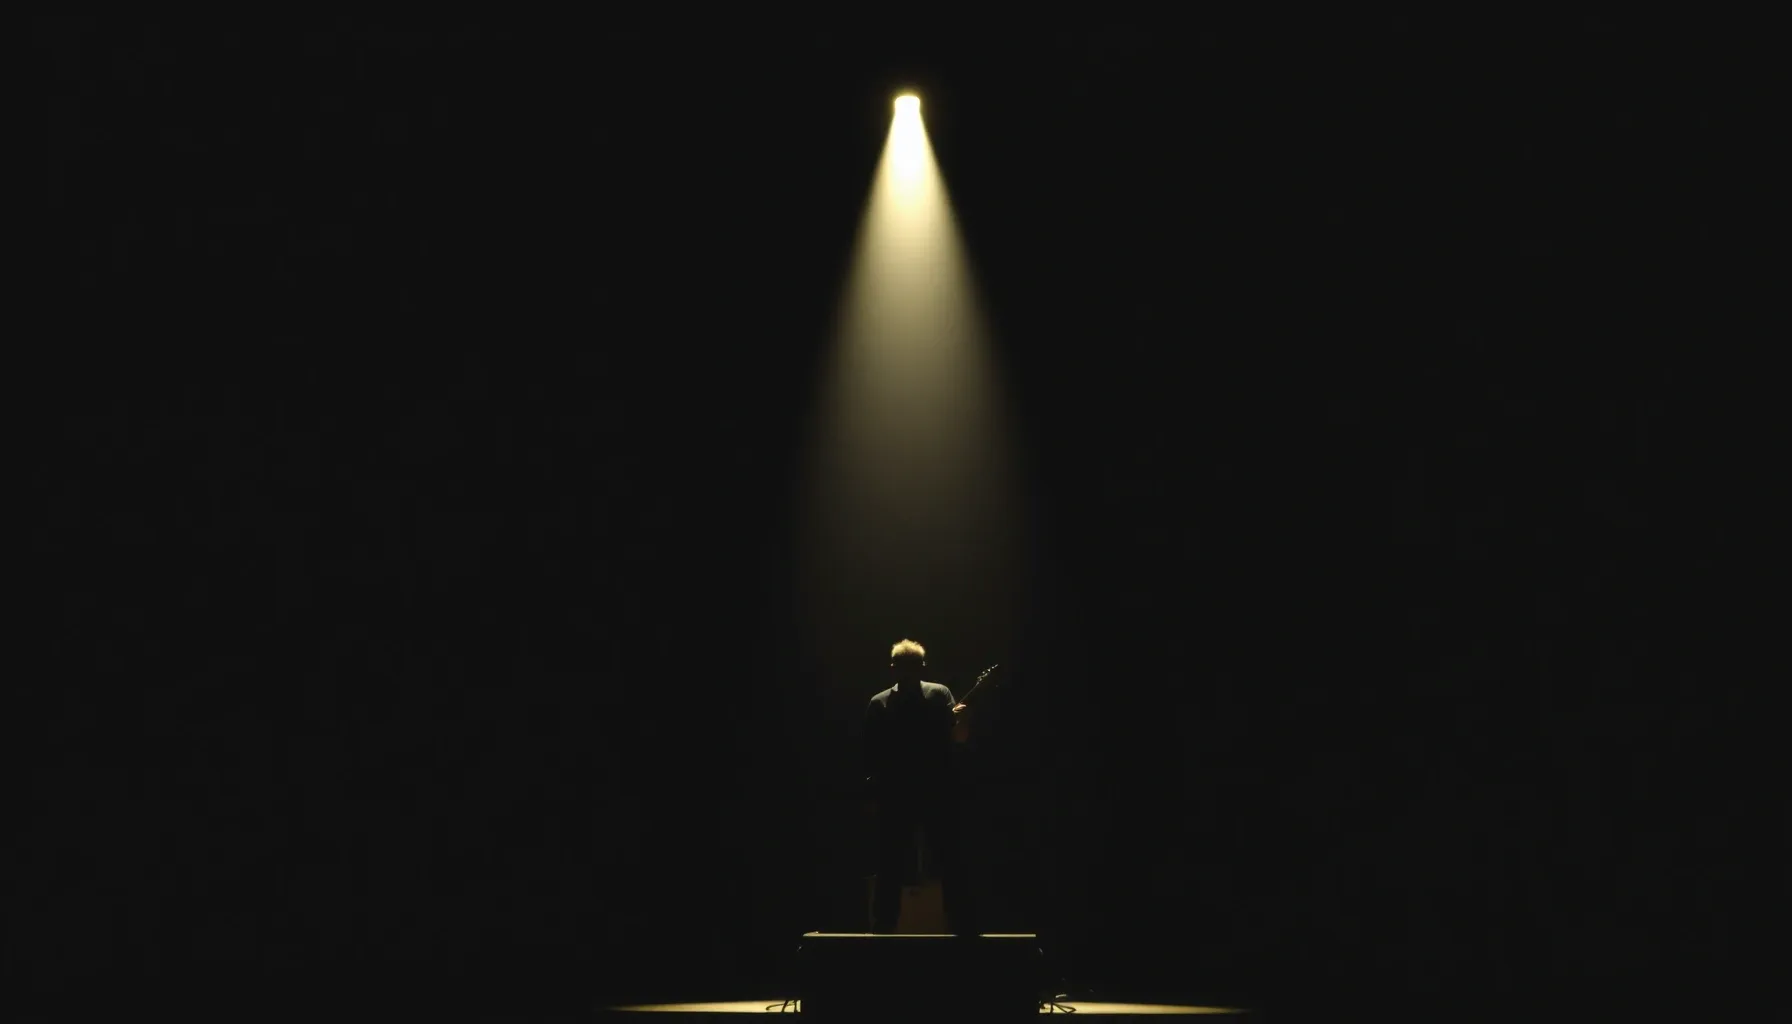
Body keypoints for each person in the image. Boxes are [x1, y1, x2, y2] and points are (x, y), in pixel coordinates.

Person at [863, 639, 977, 934]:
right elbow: (872, 753)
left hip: (934, 791)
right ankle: (885, 927)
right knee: (892, 861)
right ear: (894, 669)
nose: (910, 672)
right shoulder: (881, 702)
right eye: (906, 666)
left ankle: (961, 924)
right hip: (898, 793)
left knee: (948, 857)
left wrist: (962, 721)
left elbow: (959, 738)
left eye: (913, 666)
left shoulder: (937, 694)